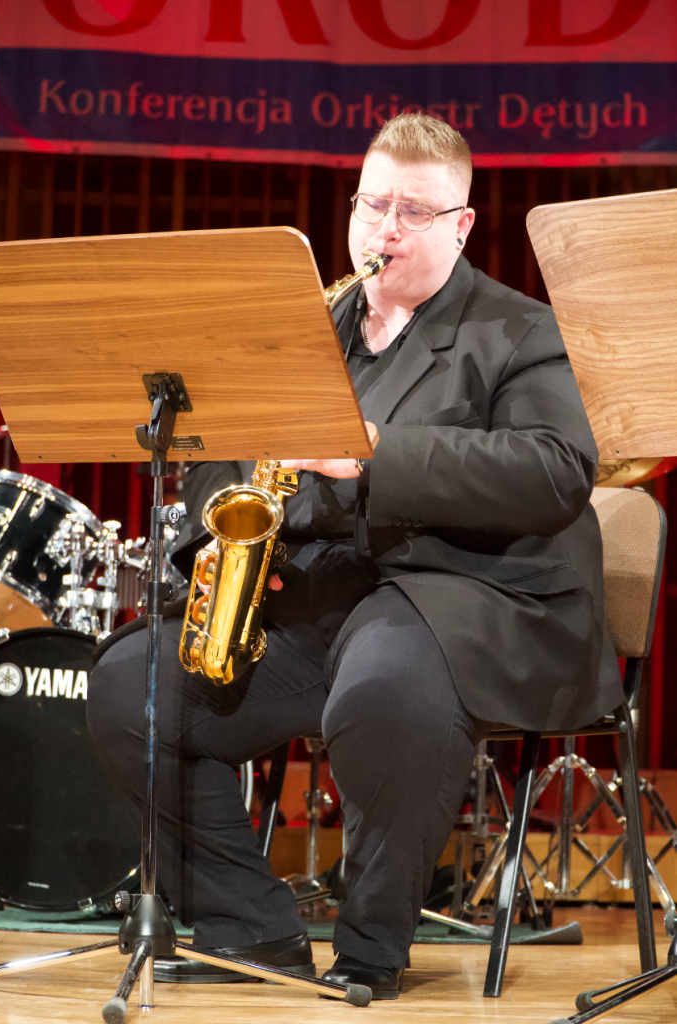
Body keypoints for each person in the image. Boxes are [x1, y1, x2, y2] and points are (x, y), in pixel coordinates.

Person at [87, 113, 624, 1000]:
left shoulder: (519, 331)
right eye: (374, 205)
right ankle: (250, 929)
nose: (386, 230)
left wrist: (376, 450)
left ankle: (371, 950)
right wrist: (224, 539)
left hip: (465, 596)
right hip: (320, 597)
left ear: (462, 225)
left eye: (414, 211)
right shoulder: (307, 328)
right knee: (130, 688)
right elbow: (223, 452)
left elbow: (556, 471)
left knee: (383, 685)